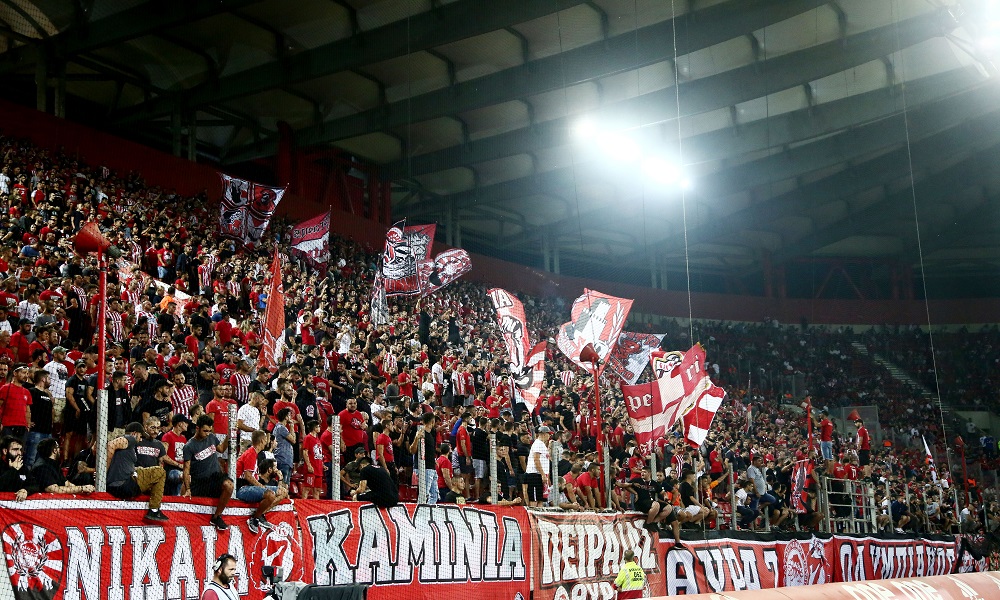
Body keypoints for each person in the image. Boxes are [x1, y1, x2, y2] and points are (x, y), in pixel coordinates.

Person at [105, 422, 168, 521]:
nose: (141, 439)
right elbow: (110, 445)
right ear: (135, 433)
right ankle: (154, 510)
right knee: (160, 472)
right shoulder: (130, 439)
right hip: (125, 485)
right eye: (140, 436)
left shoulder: (123, 447)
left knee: (139, 469)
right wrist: (104, 471)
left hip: (113, 486)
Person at [182, 414, 233, 531]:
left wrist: (229, 435)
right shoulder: (189, 446)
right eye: (205, 431)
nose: (207, 433)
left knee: (229, 485)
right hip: (201, 483)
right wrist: (188, 489)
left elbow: (221, 449)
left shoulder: (211, 437)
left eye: (209, 431)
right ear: (197, 428)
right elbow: (186, 470)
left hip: (215, 478)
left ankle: (216, 517)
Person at [235, 430, 287, 534]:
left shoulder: (255, 453)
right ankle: (254, 518)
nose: (267, 441)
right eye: (266, 439)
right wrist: (261, 486)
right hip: (242, 487)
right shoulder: (250, 453)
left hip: (251, 487)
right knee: (270, 495)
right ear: (262, 440)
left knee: (283, 491)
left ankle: (261, 513)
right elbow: (248, 476)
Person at [408, 412, 439, 504]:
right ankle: (420, 510)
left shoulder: (430, 434)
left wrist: (433, 460)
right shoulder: (421, 433)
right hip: (424, 468)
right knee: (424, 494)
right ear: (432, 421)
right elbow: (412, 450)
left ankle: (429, 510)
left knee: (434, 495)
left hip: (431, 467)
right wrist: (416, 438)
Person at [524, 426, 552, 507]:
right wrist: (543, 474)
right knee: (534, 499)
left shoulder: (542, 444)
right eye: (548, 434)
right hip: (535, 475)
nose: (549, 436)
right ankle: (532, 515)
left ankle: (539, 515)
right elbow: (536, 460)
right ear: (544, 434)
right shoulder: (538, 444)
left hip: (540, 475)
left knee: (540, 499)